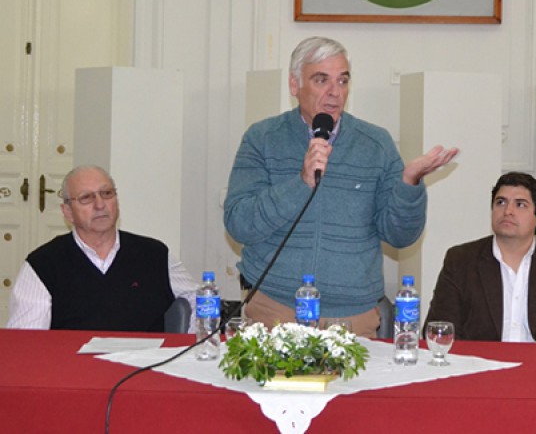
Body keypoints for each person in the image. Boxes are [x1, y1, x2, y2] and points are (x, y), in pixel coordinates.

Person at [224, 36, 458, 338]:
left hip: (353, 315)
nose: (335, 92)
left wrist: (409, 185)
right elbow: (239, 223)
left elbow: (400, 236)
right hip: (275, 307)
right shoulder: (263, 138)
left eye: (343, 80)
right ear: (294, 85)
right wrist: (300, 183)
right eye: (321, 80)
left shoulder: (375, 144)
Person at [7, 165, 197, 332]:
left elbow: (199, 298)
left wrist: (193, 344)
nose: (100, 205)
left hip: (147, 360)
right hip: (71, 361)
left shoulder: (154, 255)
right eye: (86, 198)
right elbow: (27, 340)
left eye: (106, 194)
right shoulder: (43, 265)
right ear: (68, 212)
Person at [426, 172, 536, 343]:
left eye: (520, 205)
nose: (507, 211)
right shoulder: (460, 261)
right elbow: (438, 334)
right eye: (501, 202)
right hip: (481, 360)